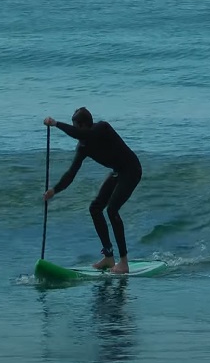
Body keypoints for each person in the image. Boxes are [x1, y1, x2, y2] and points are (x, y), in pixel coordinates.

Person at [43, 107, 142, 274]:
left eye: (77, 127)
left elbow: (79, 134)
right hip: (118, 172)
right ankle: (109, 257)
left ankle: (124, 263)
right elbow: (71, 174)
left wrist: (56, 123)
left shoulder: (102, 128)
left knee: (112, 210)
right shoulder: (83, 147)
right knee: (95, 208)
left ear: (83, 126)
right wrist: (54, 190)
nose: (76, 132)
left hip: (131, 170)